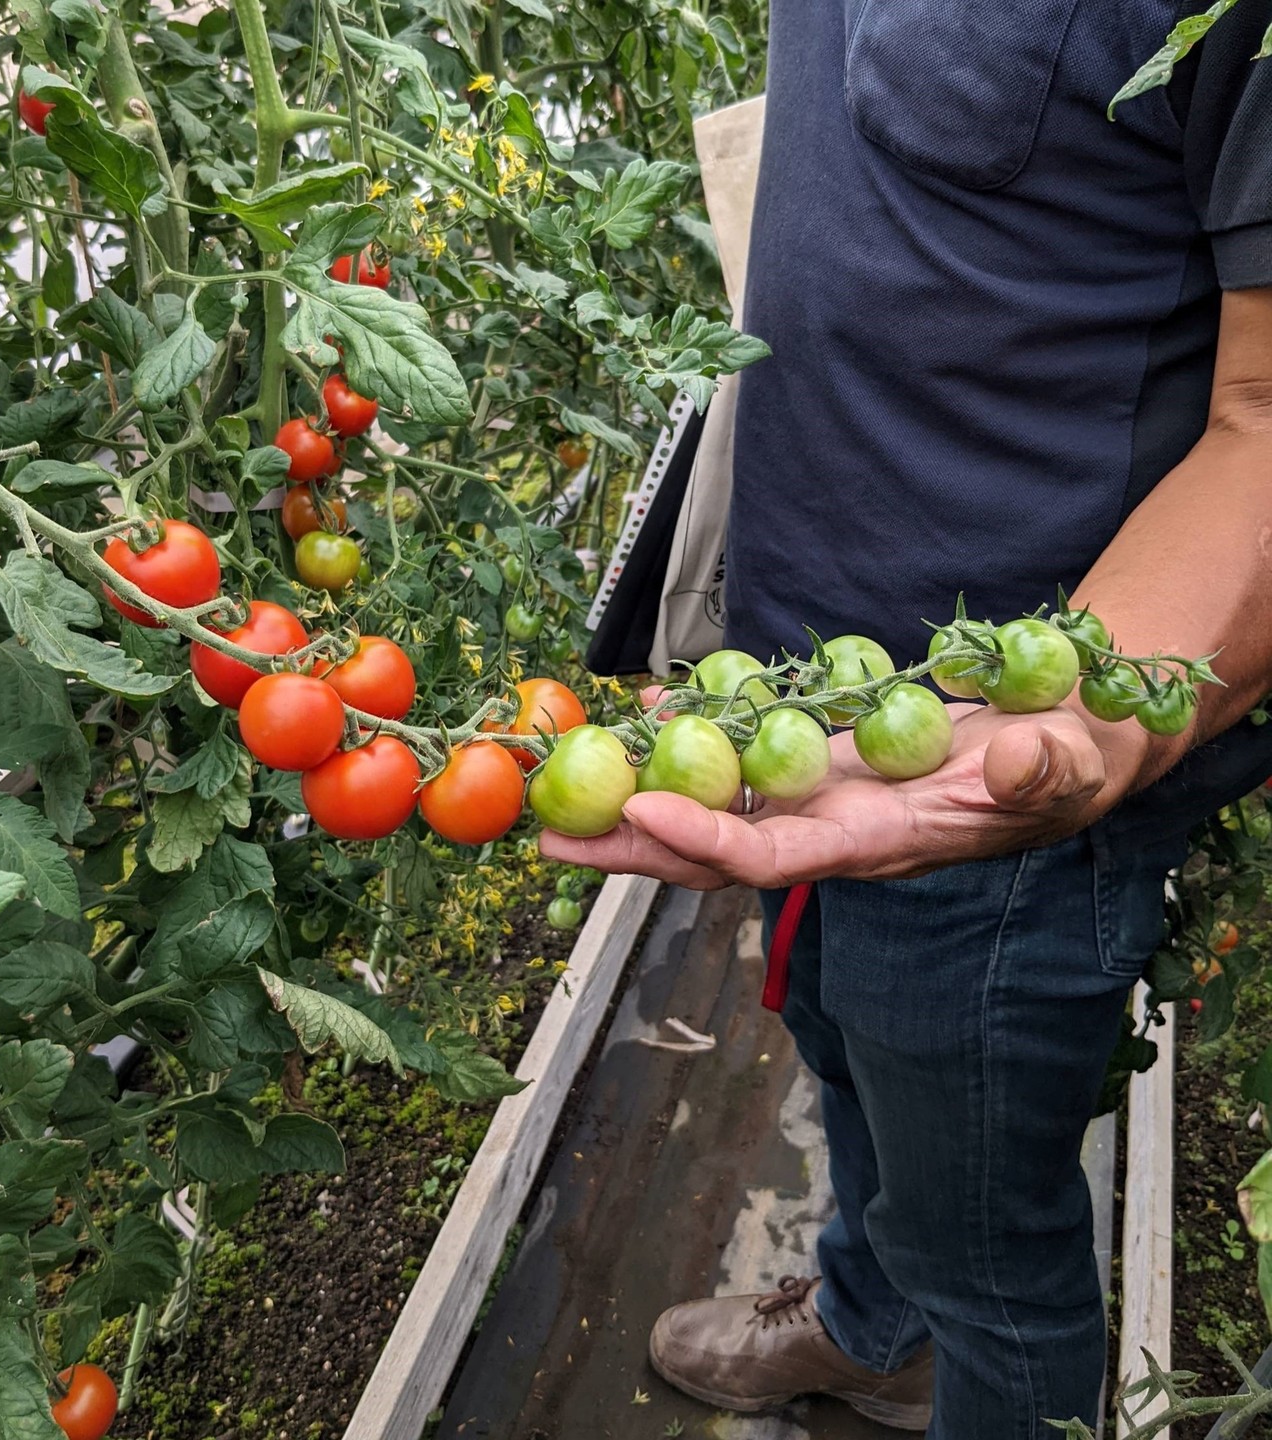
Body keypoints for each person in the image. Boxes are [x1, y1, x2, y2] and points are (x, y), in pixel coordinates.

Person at [542, 2, 1272, 1436]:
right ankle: (873, 1326)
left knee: (987, 1243)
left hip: (994, 785)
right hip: (809, 711)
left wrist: (1093, 723)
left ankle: (953, 1342)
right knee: (841, 1035)